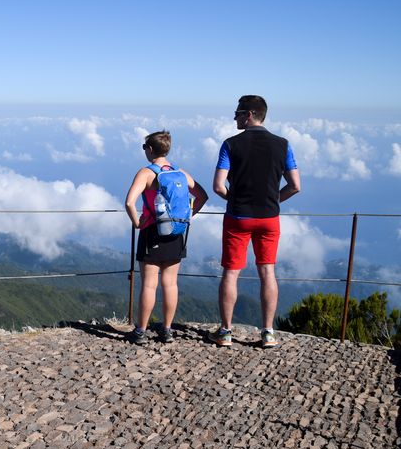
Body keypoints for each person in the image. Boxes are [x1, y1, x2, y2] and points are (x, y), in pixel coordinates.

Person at [210, 95, 301, 348]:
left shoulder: (230, 144)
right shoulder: (283, 145)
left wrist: (236, 200)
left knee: (231, 272)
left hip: (238, 217)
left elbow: (218, 186)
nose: (235, 118)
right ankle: (268, 332)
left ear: (249, 114)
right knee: (267, 271)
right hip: (269, 218)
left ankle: (226, 332)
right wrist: (273, 200)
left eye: (238, 113)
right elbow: (295, 186)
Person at [125, 130, 208, 344]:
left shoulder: (146, 173)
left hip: (152, 231)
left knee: (149, 285)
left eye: (145, 147)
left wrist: (137, 222)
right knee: (170, 284)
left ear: (150, 149)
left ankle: (141, 332)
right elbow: (202, 195)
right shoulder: (180, 173)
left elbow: (129, 203)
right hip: (177, 232)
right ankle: (167, 330)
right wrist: (188, 215)